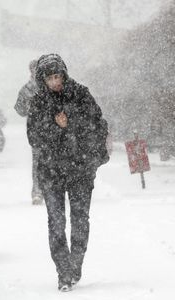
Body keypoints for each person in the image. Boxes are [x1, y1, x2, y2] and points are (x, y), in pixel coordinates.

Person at [27, 54, 109, 292]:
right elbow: (34, 137)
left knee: (80, 219)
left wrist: (70, 124)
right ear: (43, 80)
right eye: (50, 78)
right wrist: (55, 127)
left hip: (80, 169)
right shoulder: (38, 102)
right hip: (51, 171)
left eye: (58, 76)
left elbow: (97, 125)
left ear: (64, 74)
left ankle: (76, 264)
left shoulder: (81, 94)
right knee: (56, 221)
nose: (56, 82)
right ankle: (63, 270)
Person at [14, 59, 44, 205]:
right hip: (37, 132)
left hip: (55, 132)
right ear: (31, 71)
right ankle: (37, 191)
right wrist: (29, 106)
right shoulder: (26, 89)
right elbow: (19, 110)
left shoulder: (52, 86)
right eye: (35, 69)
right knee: (38, 162)